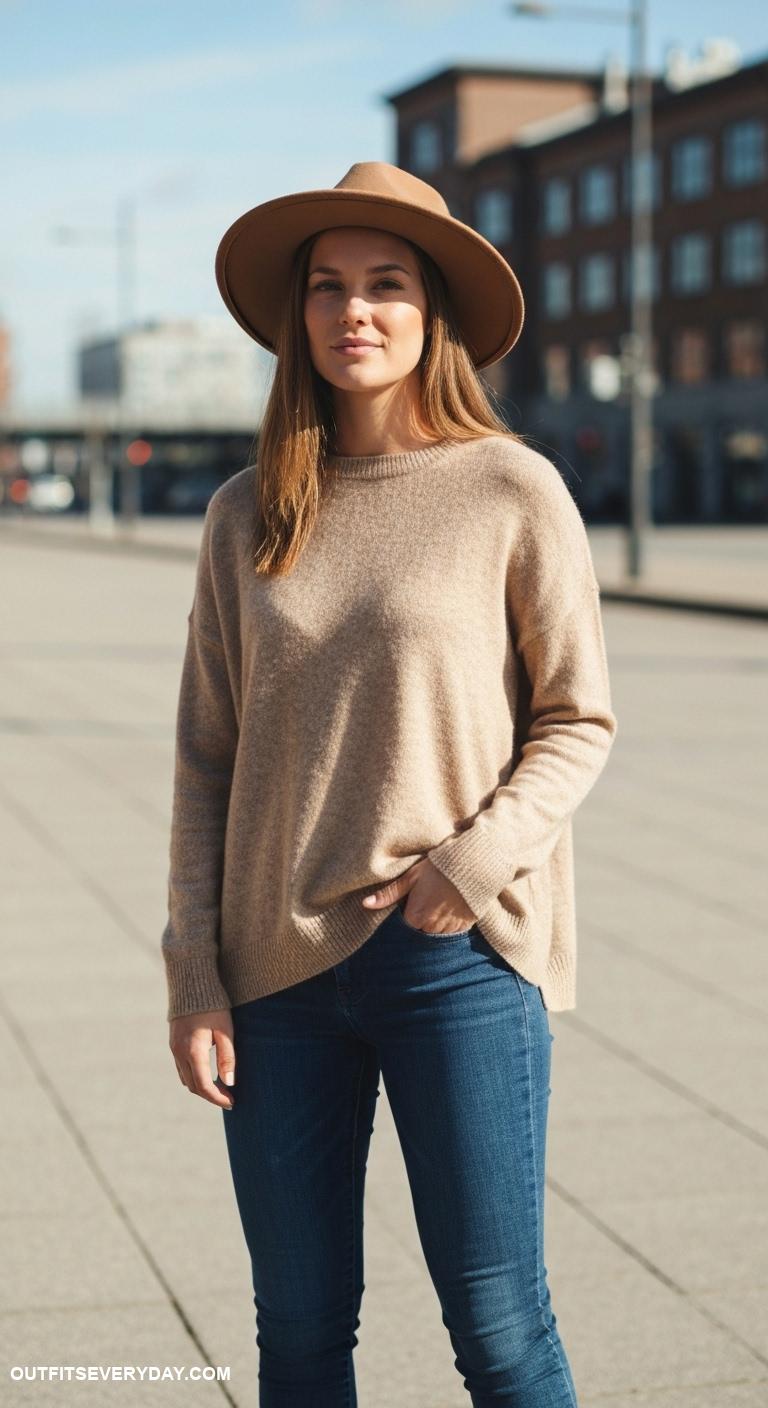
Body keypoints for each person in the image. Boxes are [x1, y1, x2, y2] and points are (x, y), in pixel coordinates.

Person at [163, 161, 618, 1407]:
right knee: (300, 1331)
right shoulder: (245, 514)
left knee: (500, 1328)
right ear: (297, 314)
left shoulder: (511, 488)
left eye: (386, 285)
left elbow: (578, 718)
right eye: (328, 286)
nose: (353, 311)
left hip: (454, 959)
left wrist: (471, 865)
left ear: (433, 315)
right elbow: (207, 755)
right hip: (274, 975)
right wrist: (194, 970)